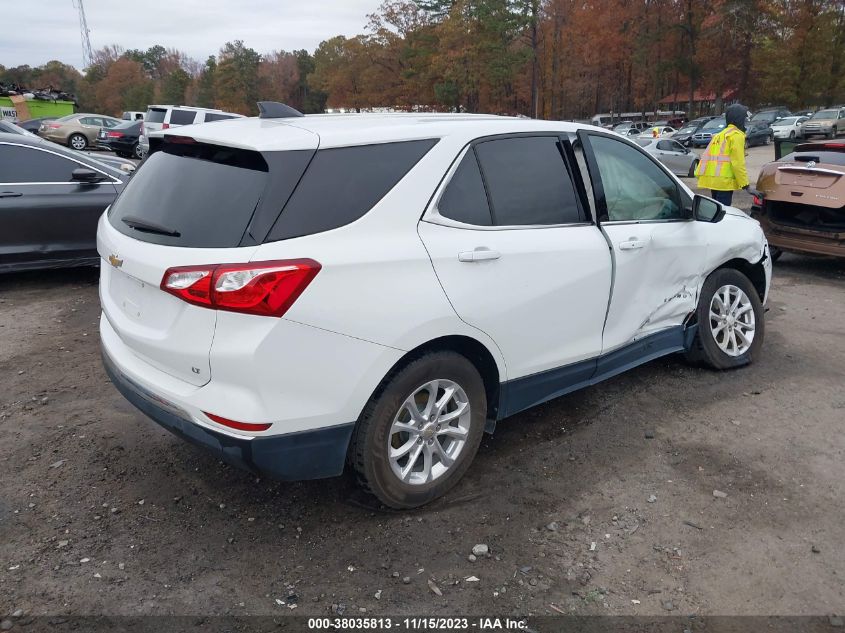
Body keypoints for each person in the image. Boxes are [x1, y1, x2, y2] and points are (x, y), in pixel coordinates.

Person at [695, 103, 750, 205]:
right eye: (744, 118)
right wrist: (746, 185)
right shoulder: (736, 135)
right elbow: (738, 163)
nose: (745, 121)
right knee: (724, 213)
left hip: (714, 181)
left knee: (716, 212)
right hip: (724, 183)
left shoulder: (720, 135)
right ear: (739, 119)